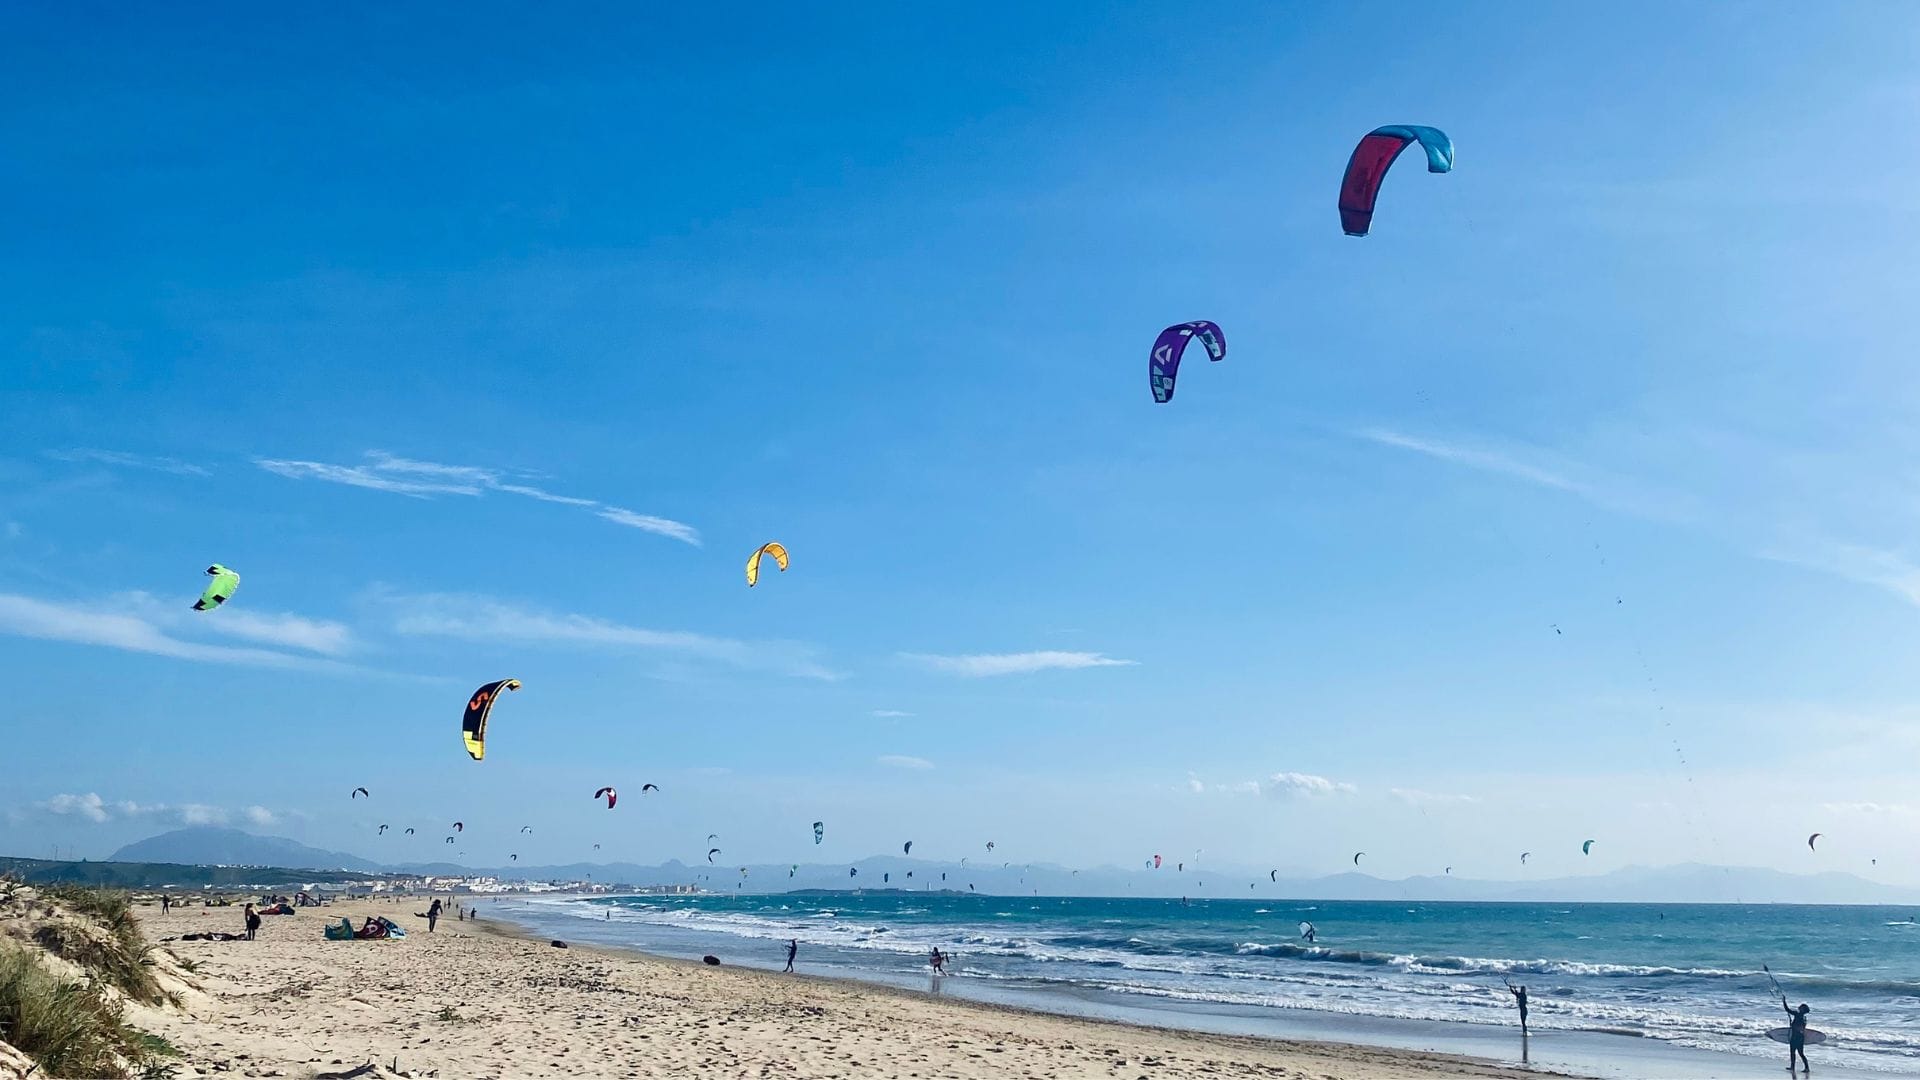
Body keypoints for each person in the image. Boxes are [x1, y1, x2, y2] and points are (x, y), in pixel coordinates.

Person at [1783, 998, 1811, 1075]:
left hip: (1796, 1036)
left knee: (1794, 1052)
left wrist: (1784, 1001)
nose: (1799, 1006)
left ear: (1803, 1009)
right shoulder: (1804, 1017)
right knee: (1800, 1053)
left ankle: (1795, 1067)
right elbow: (1802, 1027)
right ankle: (1805, 1067)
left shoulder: (1797, 1014)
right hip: (1800, 1037)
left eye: (1801, 1006)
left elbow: (1787, 1010)